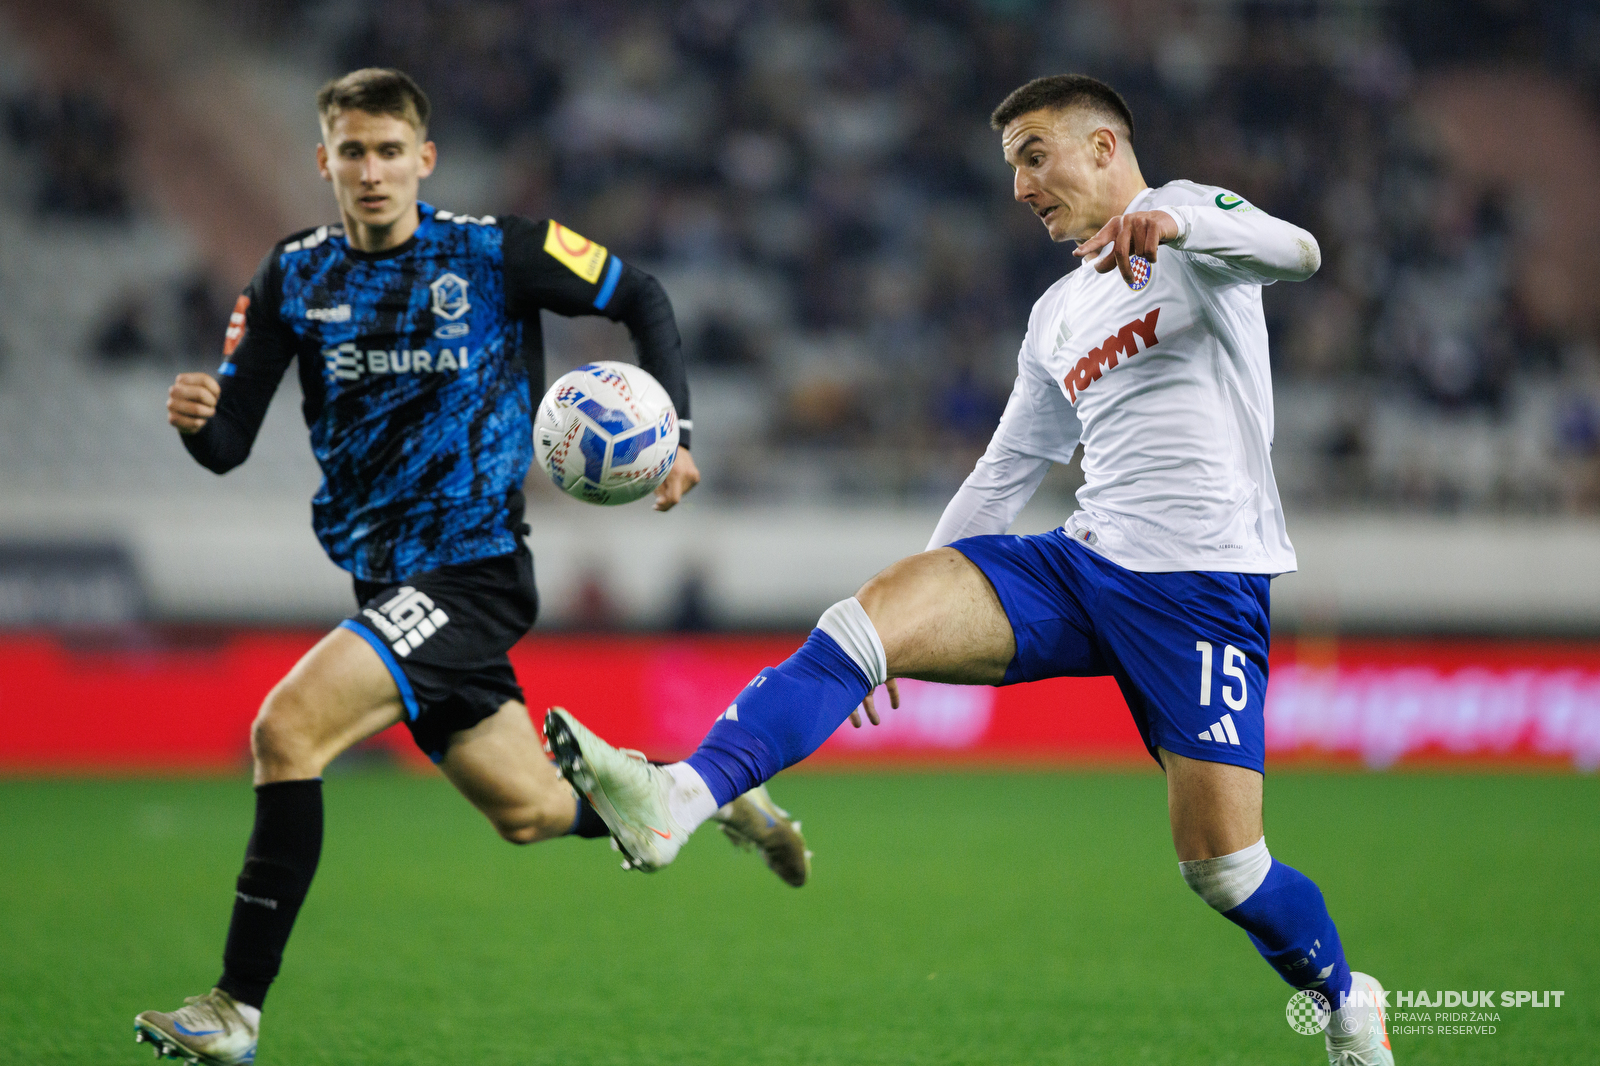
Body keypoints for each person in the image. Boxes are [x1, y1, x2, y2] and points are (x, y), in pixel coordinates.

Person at [544, 75, 1394, 1066]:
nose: (1022, 187)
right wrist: (906, 627)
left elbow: (1300, 252)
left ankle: (1345, 1000)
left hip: (1201, 590)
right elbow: (1005, 472)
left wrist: (1172, 221)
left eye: (1036, 157)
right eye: (1012, 168)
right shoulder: (1057, 314)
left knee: (1227, 872)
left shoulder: (1194, 221)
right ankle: (676, 802)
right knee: (863, 622)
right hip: (1081, 566)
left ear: (1105, 148)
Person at [134, 68, 810, 1066]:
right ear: (324, 160)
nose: (371, 171)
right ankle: (704, 795)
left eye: (389, 150)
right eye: (352, 152)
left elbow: (643, 296)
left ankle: (237, 1008)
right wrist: (197, 423)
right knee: (531, 811)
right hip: (381, 580)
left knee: (286, 730)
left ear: (424, 159)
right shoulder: (291, 277)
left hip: (471, 572)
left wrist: (680, 433)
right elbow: (230, 441)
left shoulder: (498, 252)